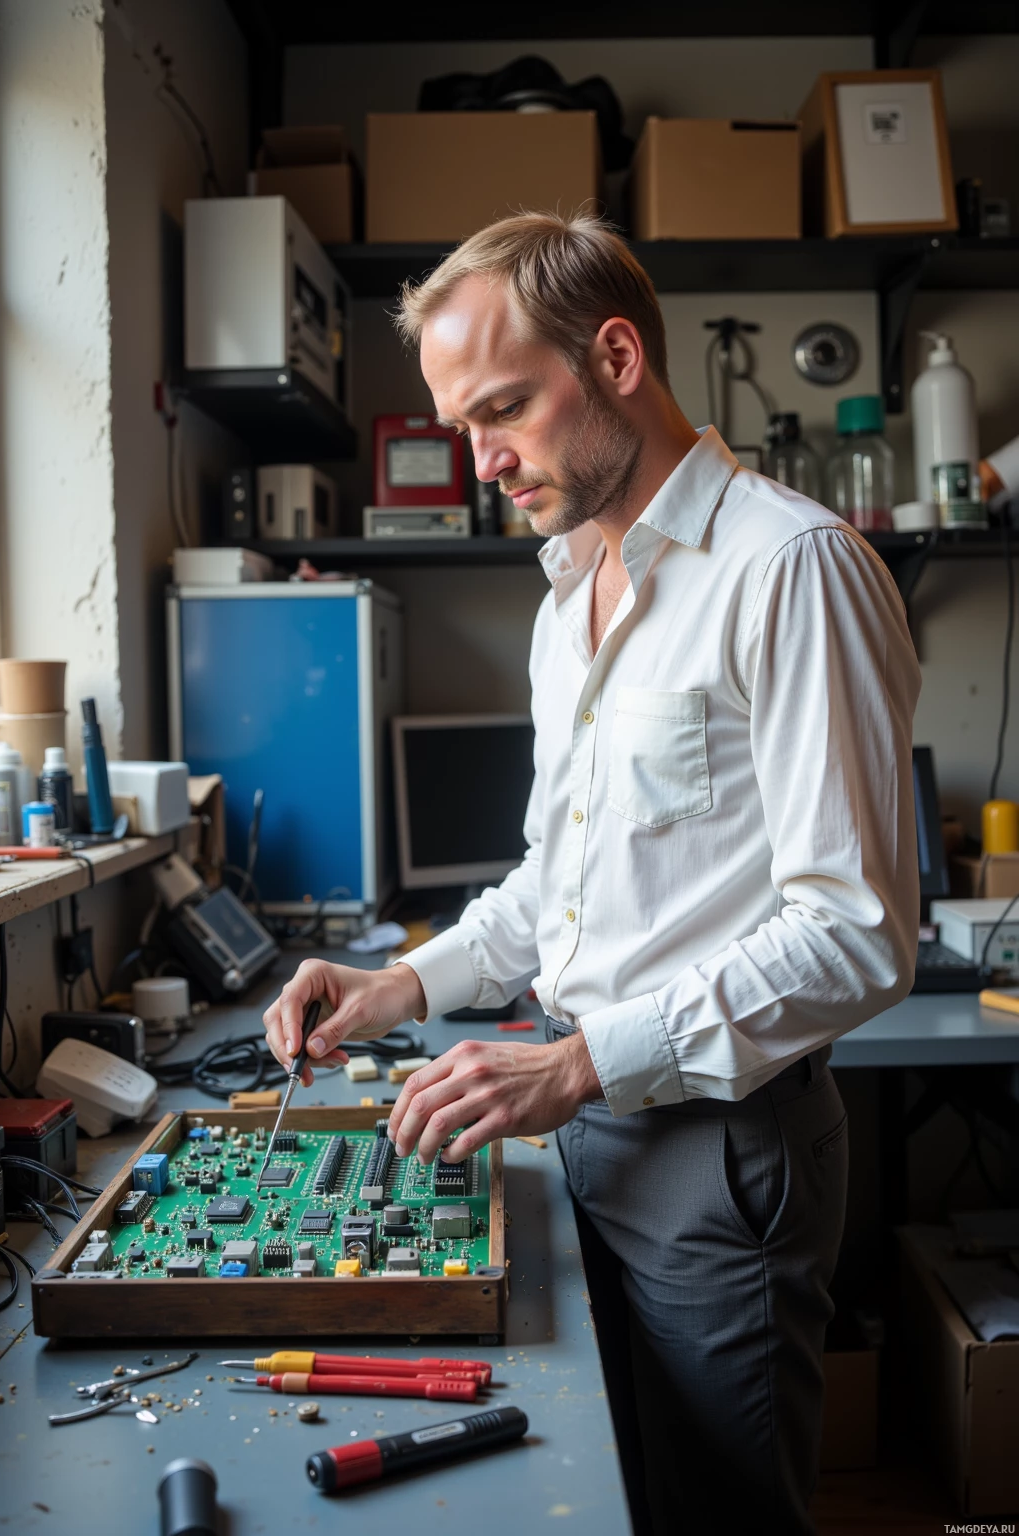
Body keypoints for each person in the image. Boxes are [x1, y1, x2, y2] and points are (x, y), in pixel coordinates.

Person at [263, 212, 920, 1534]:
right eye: (462, 424)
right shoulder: (571, 594)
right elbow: (546, 886)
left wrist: (573, 1062)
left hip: (715, 1150)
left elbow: (856, 935)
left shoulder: (789, 570)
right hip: (581, 1127)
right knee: (597, 1501)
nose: (482, 458)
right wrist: (398, 986)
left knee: (719, 1515)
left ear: (615, 355)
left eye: (503, 407)